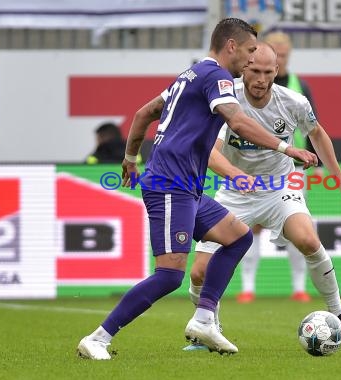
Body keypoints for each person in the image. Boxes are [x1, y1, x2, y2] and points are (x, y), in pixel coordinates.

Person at [76, 18, 318, 360]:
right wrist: (286, 148)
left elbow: (145, 112)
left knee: (239, 237)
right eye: (249, 51)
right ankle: (98, 337)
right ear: (231, 46)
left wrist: (131, 158)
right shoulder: (216, 76)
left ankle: (205, 319)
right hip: (170, 185)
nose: (252, 60)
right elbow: (237, 121)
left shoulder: (188, 76)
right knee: (170, 275)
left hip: (186, 186)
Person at [183, 42, 341, 351]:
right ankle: (208, 328)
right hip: (236, 190)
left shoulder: (293, 101)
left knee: (309, 241)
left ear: (277, 71)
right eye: (254, 71)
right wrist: (237, 176)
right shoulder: (226, 99)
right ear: (244, 68)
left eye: (267, 72)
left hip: (280, 186)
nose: (260, 79)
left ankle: (339, 313)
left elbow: (317, 134)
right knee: (199, 272)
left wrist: (340, 180)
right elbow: (211, 154)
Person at [234, 31, 320, 304]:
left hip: (292, 166)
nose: (277, 60)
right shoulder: (240, 88)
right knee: (252, 227)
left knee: (298, 229)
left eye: (282, 56)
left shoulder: (298, 87)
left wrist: (315, 162)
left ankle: (299, 287)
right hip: (250, 163)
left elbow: (315, 128)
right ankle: (247, 287)